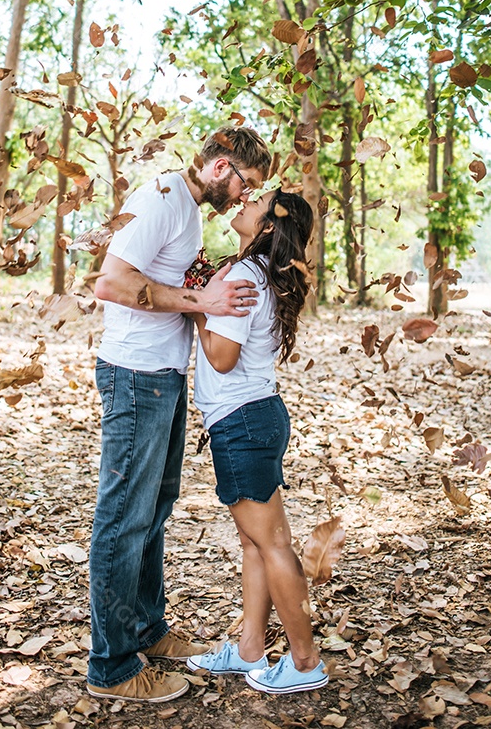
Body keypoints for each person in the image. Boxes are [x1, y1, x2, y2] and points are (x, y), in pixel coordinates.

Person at [87, 126, 271, 703]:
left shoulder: (187, 211)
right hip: (134, 374)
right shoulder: (161, 199)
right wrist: (202, 300)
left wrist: (200, 285)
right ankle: (113, 667)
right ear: (220, 167)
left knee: (153, 510)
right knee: (124, 517)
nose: (245, 197)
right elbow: (111, 282)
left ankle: (147, 629)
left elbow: (166, 281)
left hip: (163, 376)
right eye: (245, 184)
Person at [186, 188, 329, 695]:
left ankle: (305, 662)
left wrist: (198, 307)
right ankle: (250, 650)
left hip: (242, 421)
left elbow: (222, 358)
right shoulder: (263, 273)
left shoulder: (245, 275)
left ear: (268, 226)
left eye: (256, 201)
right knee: (256, 542)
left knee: (271, 544)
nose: (243, 202)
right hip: (256, 415)